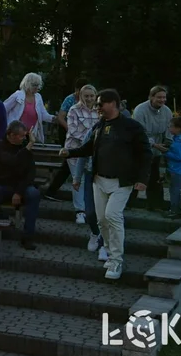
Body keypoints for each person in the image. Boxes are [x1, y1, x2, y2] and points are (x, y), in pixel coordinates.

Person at [60, 89, 151, 281]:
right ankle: (110, 255)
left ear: (113, 104)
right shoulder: (99, 126)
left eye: (101, 104)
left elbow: (145, 154)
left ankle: (117, 259)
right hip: (99, 180)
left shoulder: (132, 127)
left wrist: (143, 179)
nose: (97, 107)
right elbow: (88, 148)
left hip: (122, 182)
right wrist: (70, 153)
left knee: (112, 216)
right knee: (101, 220)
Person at [0, 121, 41, 250]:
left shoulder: (24, 149)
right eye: (22, 136)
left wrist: (19, 192)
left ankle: (27, 237)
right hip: (2, 184)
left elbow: (30, 173)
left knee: (34, 194)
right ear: (12, 135)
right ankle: (5, 221)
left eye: (26, 136)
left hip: (21, 185)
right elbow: (13, 162)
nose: (25, 138)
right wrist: (29, 145)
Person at [64, 85, 101, 231]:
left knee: (91, 180)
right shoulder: (74, 110)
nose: (89, 98)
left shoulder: (99, 111)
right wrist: (89, 142)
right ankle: (80, 211)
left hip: (94, 152)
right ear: (80, 96)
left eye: (92, 96)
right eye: (86, 96)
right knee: (77, 179)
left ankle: (91, 209)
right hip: (75, 150)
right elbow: (73, 130)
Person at [132, 86, 173, 212]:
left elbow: (169, 129)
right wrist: (153, 144)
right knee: (136, 177)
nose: (162, 100)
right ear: (151, 97)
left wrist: (167, 143)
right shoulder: (140, 110)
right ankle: (127, 204)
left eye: (164, 97)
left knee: (155, 178)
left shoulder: (167, 111)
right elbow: (140, 133)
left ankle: (155, 205)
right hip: (140, 149)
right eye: (159, 97)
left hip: (157, 150)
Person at [4, 73, 54, 146]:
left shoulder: (38, 97)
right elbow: (3, 108)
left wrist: (54, 118)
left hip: (29, 135)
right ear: (27, 84)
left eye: (38, 85)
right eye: (34, 85)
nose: (37, 88)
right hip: (15, 134)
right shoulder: (18, 95)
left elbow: (43, 114)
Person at [163, 118, 181, 219]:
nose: (169, 128)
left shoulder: (179, 142)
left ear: (178, 128)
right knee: (175, 190)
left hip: (177, 170)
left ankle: (174, 211)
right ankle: (176, 210)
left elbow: (179, 157)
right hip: (179, 169)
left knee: (174, 191)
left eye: (171, 126)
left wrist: (165, 152)